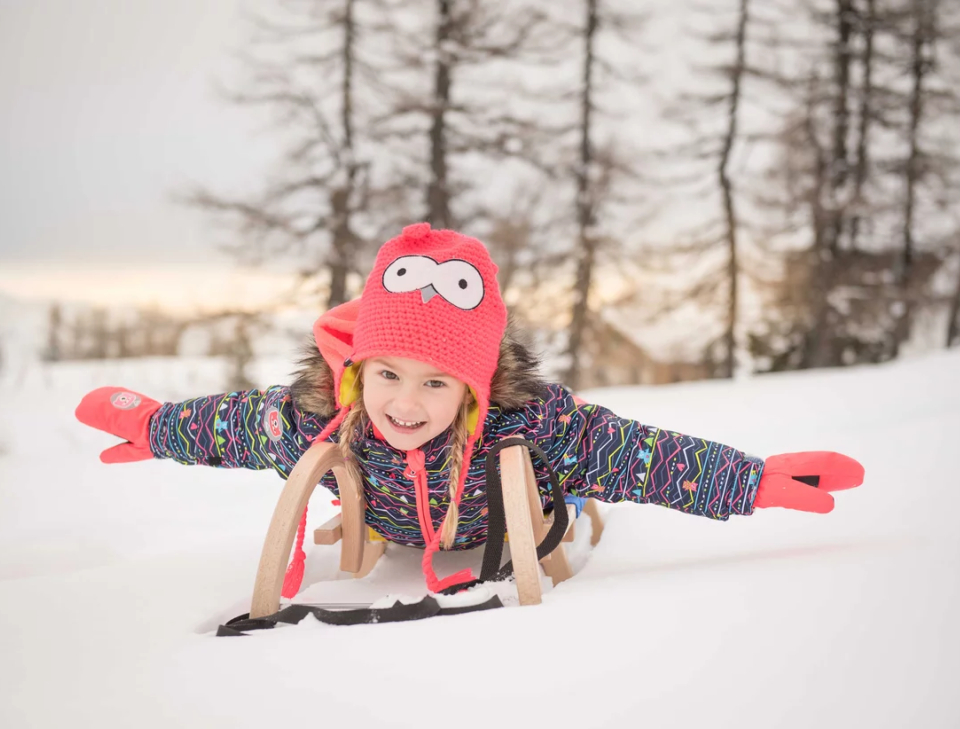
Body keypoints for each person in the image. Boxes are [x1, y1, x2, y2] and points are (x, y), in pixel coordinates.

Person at [75, 223, 865, 596]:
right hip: (396, 532)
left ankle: (579, 490)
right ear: (357, 369)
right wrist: (153, 426)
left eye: (436, 383)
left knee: (595, 460)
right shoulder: (325, 420)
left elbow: (644, 456)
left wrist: (752, 480)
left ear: (474, 389)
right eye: (388, 374)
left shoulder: (529, 425)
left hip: (502, 523)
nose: (404, 402)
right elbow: (236, 425)